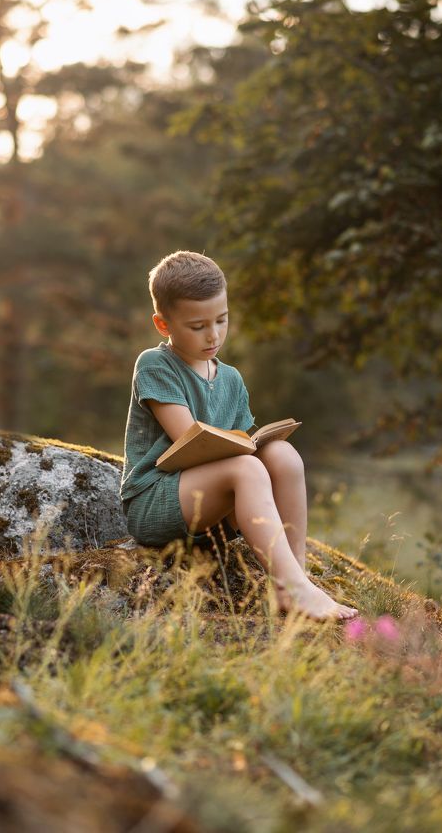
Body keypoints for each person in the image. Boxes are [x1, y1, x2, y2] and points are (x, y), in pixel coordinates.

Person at [120, 250, 357, 621]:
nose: (213, 334)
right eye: (197, 326)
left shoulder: (230, 378)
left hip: (212, 515)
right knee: (246, 469)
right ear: (164, 325)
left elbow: (242, 444)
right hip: (157, 503)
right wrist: (243, 452)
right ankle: (294, 588)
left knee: (283, 456)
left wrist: (258, 444)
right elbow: (189, 440)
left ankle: (294, 580)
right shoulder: (154, 364)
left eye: (222, 320)